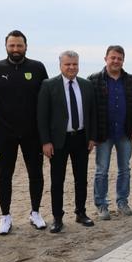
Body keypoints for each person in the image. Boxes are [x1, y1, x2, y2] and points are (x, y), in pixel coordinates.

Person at [0, 30, 49, 234]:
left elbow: (45, 99)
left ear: (26, 46)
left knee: (36, 173)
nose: (15, 49)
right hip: (4, 133)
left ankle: (35, 212)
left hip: (32, 132)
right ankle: (5, 216)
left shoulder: (37, 67)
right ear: (6, 46)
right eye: (12, 45)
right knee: (4, 175)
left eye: (19, 45)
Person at [37, 51, 97, 233]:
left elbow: (92, 113)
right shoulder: (49, 85)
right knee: (57, 181)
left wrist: (92, 137)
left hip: (81, 138)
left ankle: (81, 212)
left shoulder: (86, 85)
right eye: (68, 64)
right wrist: (45, 142)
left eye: (75, 64)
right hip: (58, 141)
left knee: (81, 179)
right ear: (60, 65)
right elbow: (42, 116)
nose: (71, 67)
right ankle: (57, 218)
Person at [88, 45, 132, 219]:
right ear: (106, 59)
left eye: (119, 58)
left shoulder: (131, 81)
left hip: (124, 132)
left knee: (124, 169)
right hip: (104, 134)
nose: (116, 61)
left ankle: (122, 202)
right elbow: (89, 109)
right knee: (101, 170)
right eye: (113, 58)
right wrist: (92, 135)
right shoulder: (94, 80)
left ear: (123, 60)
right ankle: (101, 205)